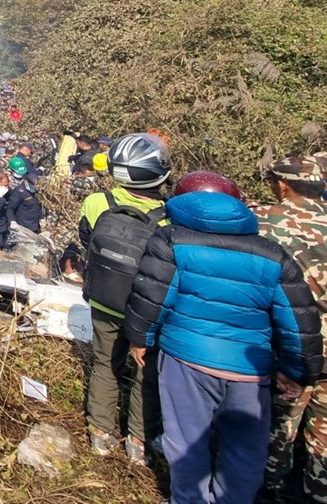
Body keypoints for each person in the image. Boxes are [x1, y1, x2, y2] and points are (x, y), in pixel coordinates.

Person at [125, 171, 323, 504]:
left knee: (187, 442)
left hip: (187, 359)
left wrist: (140, 337)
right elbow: (298, 318)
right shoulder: (272, 253)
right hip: (250, 367)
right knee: (245, 450)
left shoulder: (172, 240)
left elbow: (152, 296)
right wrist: (298, 370)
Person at [79, 132, 171, 463]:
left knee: (105, 363)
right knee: (146, 374)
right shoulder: (169, 215)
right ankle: (138, 441)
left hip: (103, 300)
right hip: (147, 309)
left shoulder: (97, 202)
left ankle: (101, 434)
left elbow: (86, 240)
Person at [256, 155, 327, 501]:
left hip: (295, 341)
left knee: (279, 422)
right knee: (324, 433)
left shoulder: (268, 221)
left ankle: (270, 488)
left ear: (282, 185)